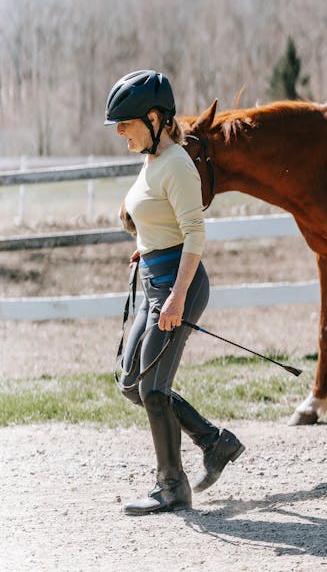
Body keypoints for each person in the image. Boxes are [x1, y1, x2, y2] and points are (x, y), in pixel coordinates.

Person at [104, 69, 245, 515]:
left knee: (153, 391)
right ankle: (213, 441)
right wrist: (143, 249)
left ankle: (171, 487)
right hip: (152, 280)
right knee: (132, 383)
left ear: (152, 118)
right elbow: (155, 219)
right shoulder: (152, 159)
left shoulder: (179, 164)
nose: (121, 133)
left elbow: (194, 233)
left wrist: (178, 296)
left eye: (125, 124)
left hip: (176, 286)